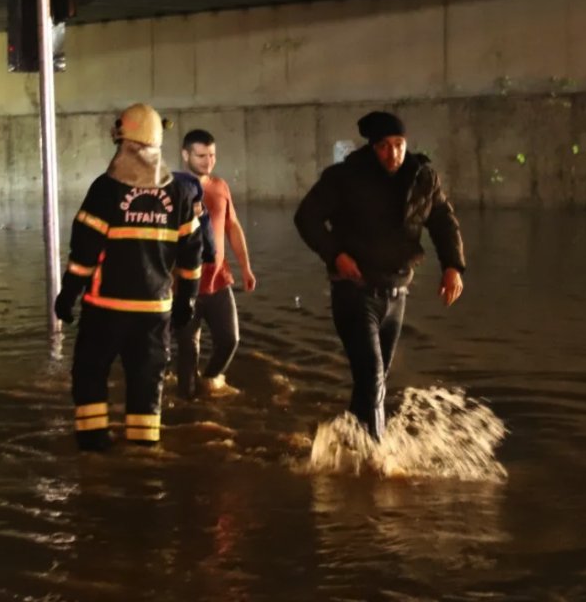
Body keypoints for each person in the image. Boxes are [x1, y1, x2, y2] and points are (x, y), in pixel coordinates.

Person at [294, 111, 466, 440]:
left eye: (399, 145)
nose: (393, 154)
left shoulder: (422, 177)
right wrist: (335, 255)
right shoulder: (344, 178)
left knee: (373, 381)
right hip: (354, 292)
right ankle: (378, 462)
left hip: (397, 294)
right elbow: (307, 218)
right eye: (384, 146)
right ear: (372, 147)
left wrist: (453, 266)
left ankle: (348, 445)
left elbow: (443, 221)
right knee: (372, 378)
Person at [54, 103, 203, 451]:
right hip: (155, 313)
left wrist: (67, 295)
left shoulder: (106, 190)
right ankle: (143, 463)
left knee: (90, 375)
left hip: (106, 309)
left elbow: (84, 253)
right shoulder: (180, 193)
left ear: (125, 143)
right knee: (147, 385)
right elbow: (192, 253)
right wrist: (186, 300)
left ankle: (93, 452)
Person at [174, 129, 257, 399]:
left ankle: (209, 382)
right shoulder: (172, 189)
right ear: (185, 155)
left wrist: (245, 267)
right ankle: (187, 403)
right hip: (184, 283)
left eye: (212, 155)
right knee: (188, 349)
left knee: (229, 340)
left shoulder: (220, 186)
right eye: (201, 156)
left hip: (219, 279)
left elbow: (232, 226)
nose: (208, 161)